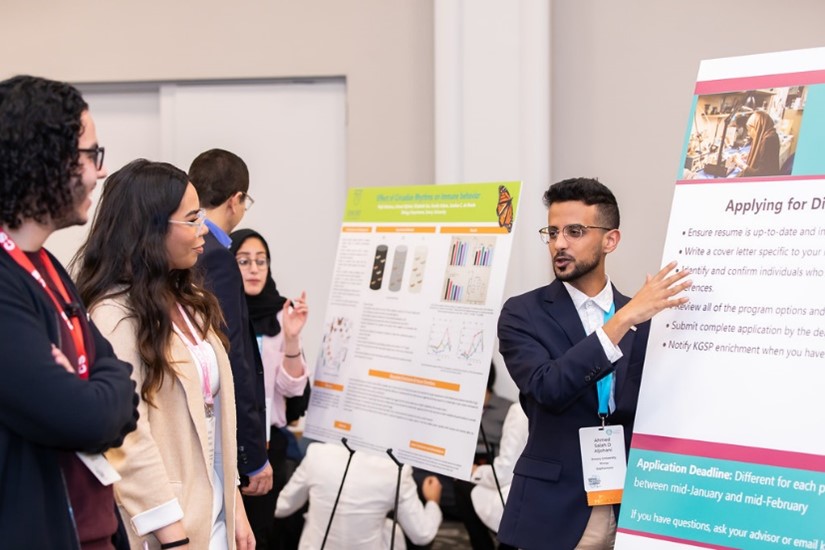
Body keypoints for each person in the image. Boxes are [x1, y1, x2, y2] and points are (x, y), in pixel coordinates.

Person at [496, 177, 691, 549]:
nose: (559, 243)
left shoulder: (644, 318)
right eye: (552, 232)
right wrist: (620, 321)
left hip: (630, 508)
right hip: (551, 512)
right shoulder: (522, 313)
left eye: (574, 231)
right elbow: (549, 388)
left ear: (610, 240)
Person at [74, 159, 254, 549]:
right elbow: (124, 436)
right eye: (191, 219)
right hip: (165, 526)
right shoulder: (113, 314)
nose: (203, 228)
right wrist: (172, 535)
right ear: (150, 229)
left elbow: (214, 419)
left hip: (213, 514)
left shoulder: (189, 299)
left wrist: (235, 503)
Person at [0, 75, 138, 549]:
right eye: (91, 155)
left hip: (91, 529)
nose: (101, 172)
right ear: (47, 160)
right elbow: (79, 418)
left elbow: (121, 387)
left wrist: (92, 389)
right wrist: (91, 397)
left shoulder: (48, 266)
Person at [188, 150, 274, 539]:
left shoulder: (189, 246)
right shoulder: (217, 257)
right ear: (235, 199)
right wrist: (252, 456)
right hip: (218, 431)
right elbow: (231, 354)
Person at [230, 228, 310, 549]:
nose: (253, 269)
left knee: (260, 535)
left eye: (261, 262)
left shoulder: (282, 313)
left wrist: (291, 338)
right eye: (244, 261)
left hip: (268, 444)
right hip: (229, 441)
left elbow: (293, 390)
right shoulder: (219, 311)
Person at [275, 442, 443, 550]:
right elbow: (422, 534)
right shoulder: (395, 469)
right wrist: (433, 502)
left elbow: (281, 507)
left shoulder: (317, 454)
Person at [469, 402, 528, 534]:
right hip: (566, 498)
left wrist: (475, 471)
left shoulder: (520, 410)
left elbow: (503, 474)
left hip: (525, 497)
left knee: (465, 485)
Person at [734, 110, 780, 177]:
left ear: (758, 127)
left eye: (749, 129)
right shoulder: (771, 134)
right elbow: (766, 158)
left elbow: (760, 174)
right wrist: (749, 156)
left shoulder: (768, 140)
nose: (748, 133)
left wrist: (740, 164)